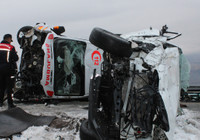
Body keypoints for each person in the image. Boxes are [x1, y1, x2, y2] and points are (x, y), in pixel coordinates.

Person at [0, 34, 19, 109]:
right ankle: (10, 104)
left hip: (0, 70)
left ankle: (0, 102)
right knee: (9, 87)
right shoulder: (11, 47)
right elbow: (16, 58)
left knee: (1, 86)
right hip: (8, 70)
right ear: (9, 39)